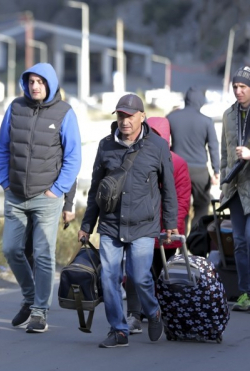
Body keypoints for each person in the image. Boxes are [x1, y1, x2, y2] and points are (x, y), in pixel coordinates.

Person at [79, 93, 178, 348]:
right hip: (111, 224)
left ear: (142, 117)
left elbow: (168, 189)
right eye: (121, 115)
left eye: (130, 116)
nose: (125, 121)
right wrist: (86, 225)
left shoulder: (157, 146)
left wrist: (170, 224)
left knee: (139, 276)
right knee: (110, 277)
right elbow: (95, 189)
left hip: (144, 224)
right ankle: (118, 330)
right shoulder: (105, 146)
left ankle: (154, 312)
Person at [0, 62, 81, 333]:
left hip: (47, 196)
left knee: (43, 254)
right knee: (10, 249)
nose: (35, 86)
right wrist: (5, 182)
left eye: (40, 82)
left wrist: (57, 191)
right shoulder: (15, 108)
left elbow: (73, 157)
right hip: (16, 194)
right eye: (31, 81)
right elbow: (2, 148)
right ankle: (31, 297)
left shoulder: (65, 112)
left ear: (50, 84)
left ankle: (39, 312)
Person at [124, 117, 191, 333]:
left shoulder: (177, 163)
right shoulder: (134, 157)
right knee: (136, 273)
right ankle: (135, 313)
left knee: (164, 275)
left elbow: (181, 199)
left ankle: (163, 312)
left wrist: (173, 226)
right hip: (141, 227)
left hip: (165, 230)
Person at [166, 87, 219, 230]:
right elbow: (213, 146)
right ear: (201, 101)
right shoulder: (206, 121)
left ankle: (178, 241)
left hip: (176, 170)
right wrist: (216, 170)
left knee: (179, 206)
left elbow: (162, 141)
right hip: (199, 171)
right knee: (202, 206)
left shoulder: (171, 117)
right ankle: (196, 240)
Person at [220, 66, 250, 311]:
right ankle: (245, 293)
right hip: (236, 189)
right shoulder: (228, 115)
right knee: (239, 241)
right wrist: (223, 183)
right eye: (235, 87)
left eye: (243, 87)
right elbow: (224, 154)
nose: (238, 91)